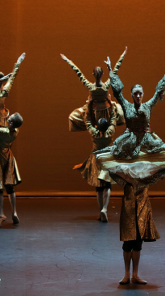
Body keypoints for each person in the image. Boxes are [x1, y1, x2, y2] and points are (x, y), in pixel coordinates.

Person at [95, 57, 165, 285]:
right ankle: (126, 274)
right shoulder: (125, 103)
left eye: (141, 93)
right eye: (136, 93)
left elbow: (158, 91)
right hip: (131, 144)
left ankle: (135, 274)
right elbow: (117, 89)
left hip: (147, 144)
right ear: (132, 94)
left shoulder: (148, 104)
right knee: (105, 158)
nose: (139, 95)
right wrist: (111, 70)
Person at [62, 48, 127, 222]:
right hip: (106, 113)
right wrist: (119, 59)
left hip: (95, 115)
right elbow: (116, 72)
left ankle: (101, 210)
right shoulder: (106, 86)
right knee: (120, 112)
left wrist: (68, 59)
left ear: (93, 74)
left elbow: (78, 73)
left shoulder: (91, 86)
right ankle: (105, 209)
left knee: (73, 116)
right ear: (102, 74)